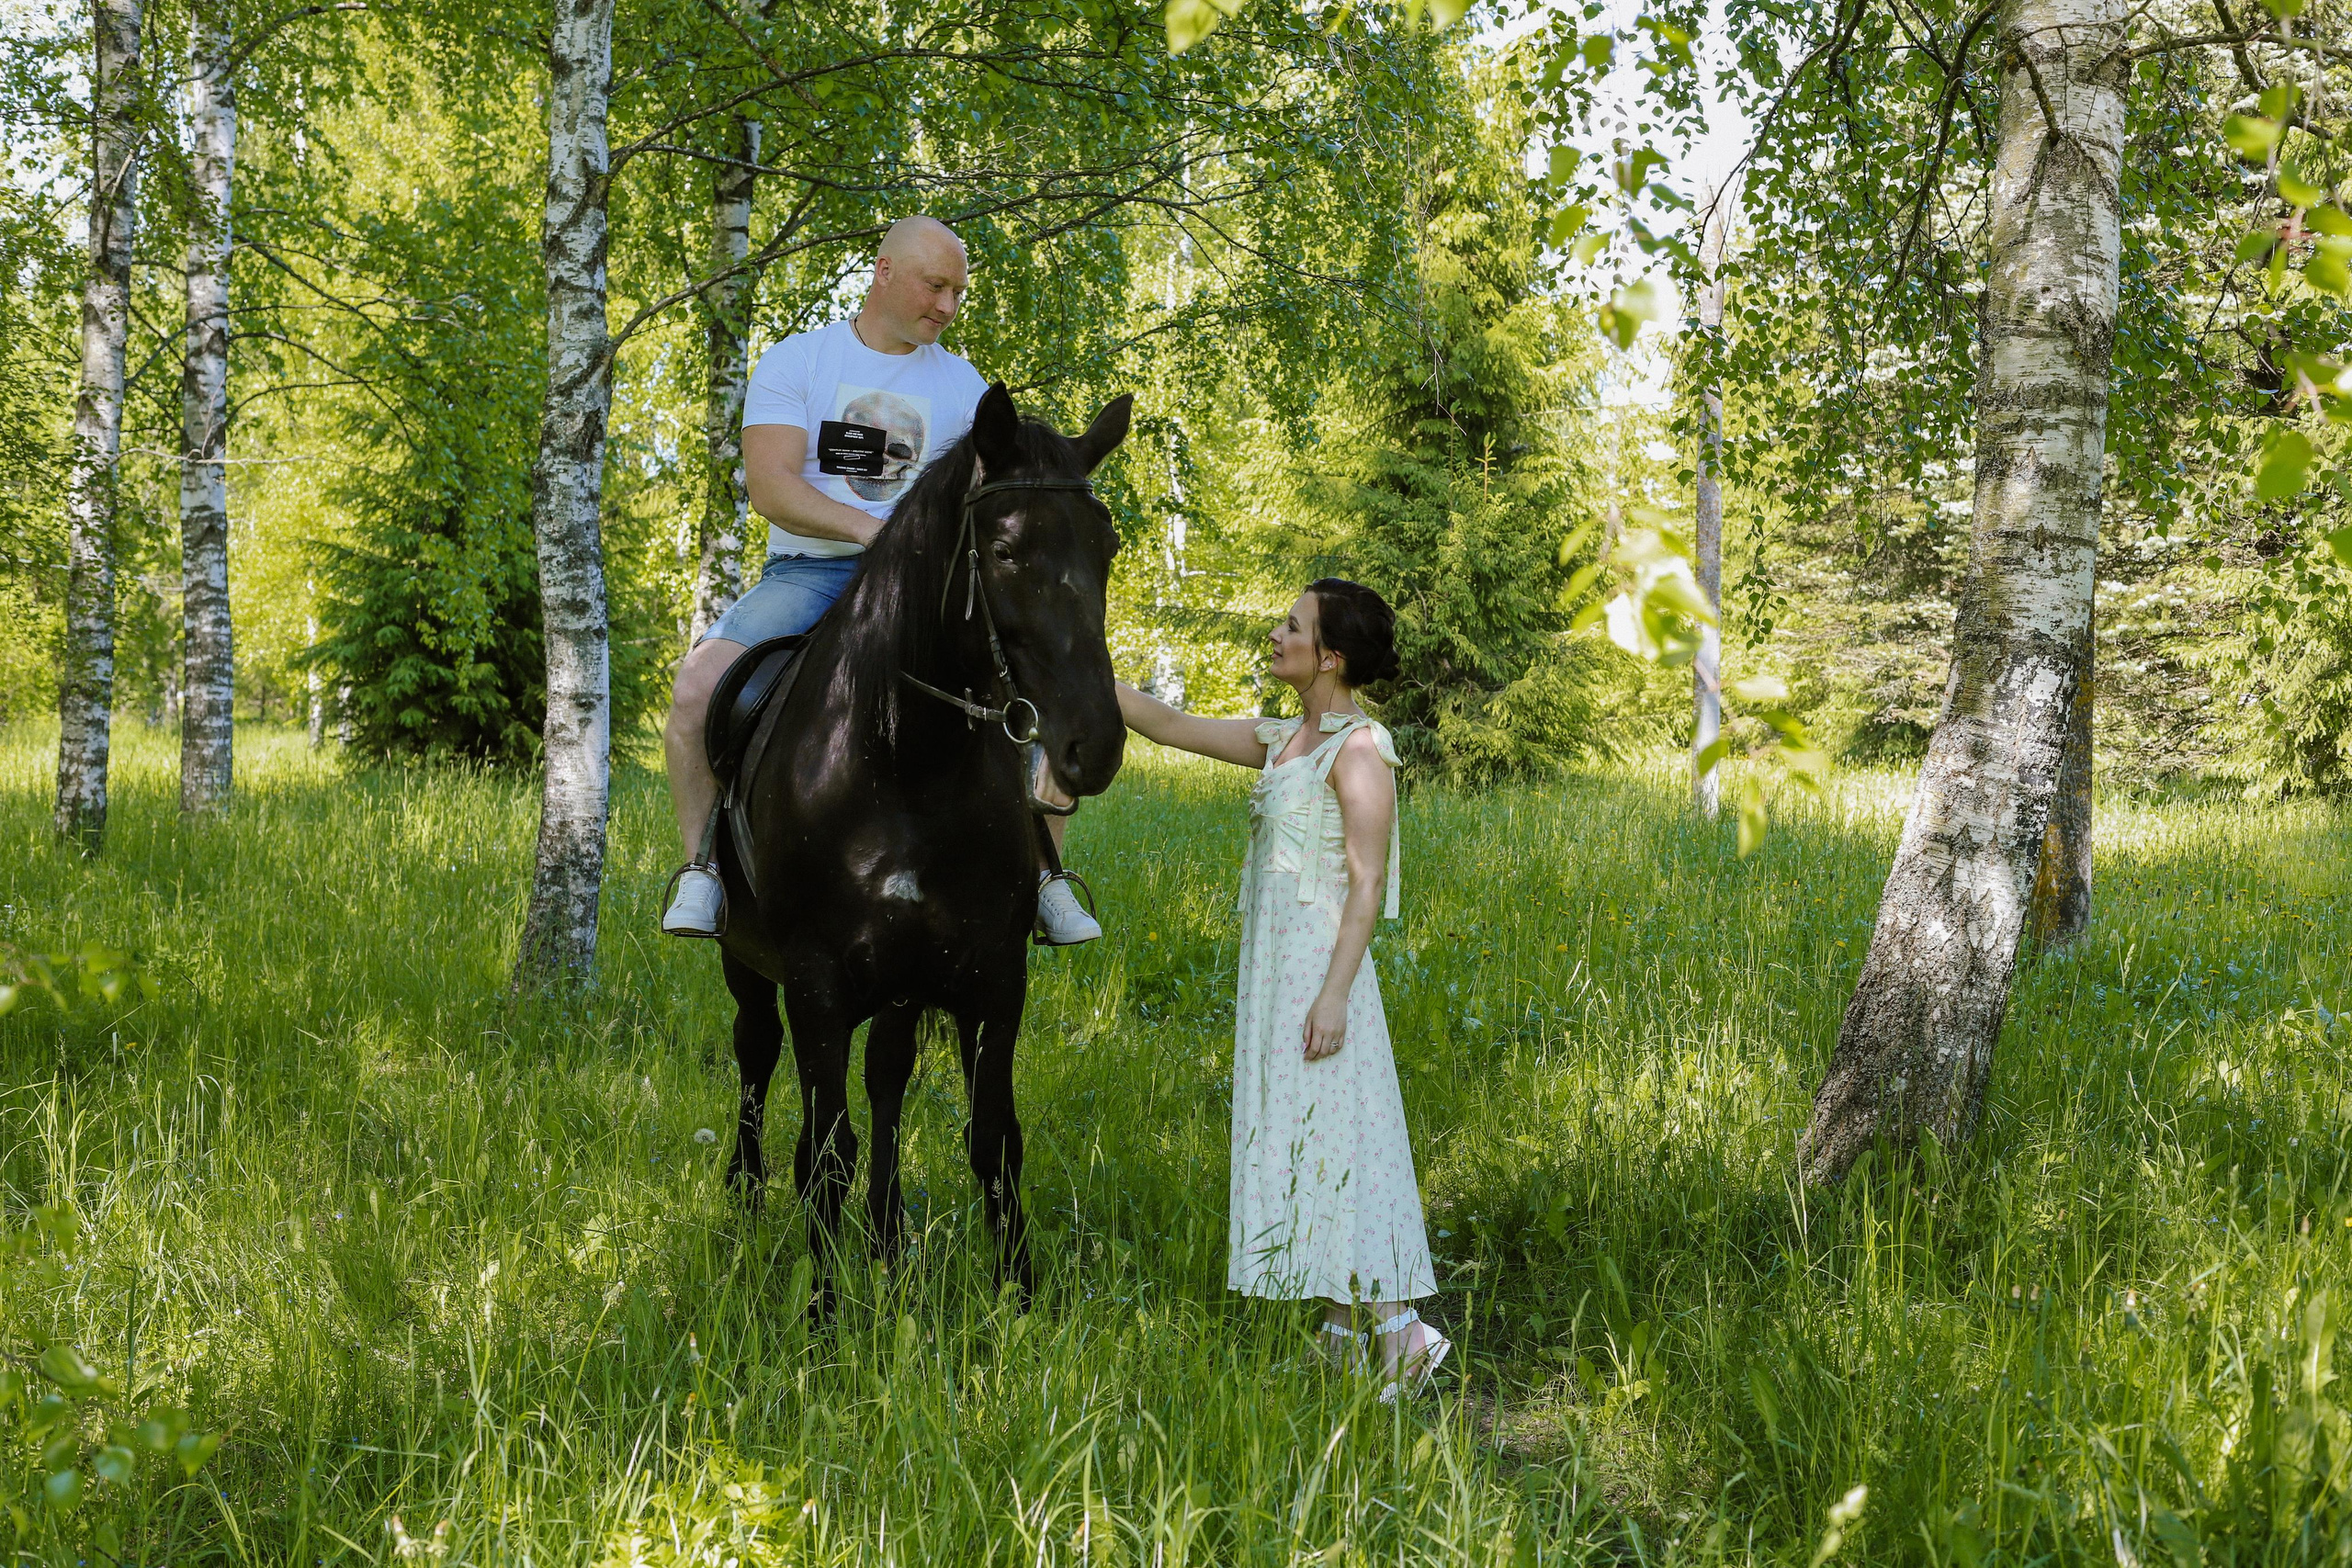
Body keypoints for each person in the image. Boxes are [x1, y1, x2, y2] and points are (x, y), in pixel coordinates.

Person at [659, 216, 1103, 945]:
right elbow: (770, 487)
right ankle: (702, 867)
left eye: (959, 292)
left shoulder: (964, 389)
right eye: (937, 286)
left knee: (1034, 693)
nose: (949, 306)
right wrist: (876, 534)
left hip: (926, 595)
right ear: (884, 272)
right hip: (809, 572)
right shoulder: (799, 362)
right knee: (697, 690)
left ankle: (1045, 873)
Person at [1114, 580, 1448, 1397]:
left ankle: (1401, 1331)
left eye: (1291, 626)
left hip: (1322, 973)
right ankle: (1343, 1326)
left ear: (1329, 656)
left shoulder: (1359, 748)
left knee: (1346, 1135)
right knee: (1308, 1133)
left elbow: (1366, 886)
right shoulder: (1283, 739)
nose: (1275, 633)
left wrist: (1334, 995)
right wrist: (1074, 645)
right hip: (1277, 969)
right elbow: (1166, 722)